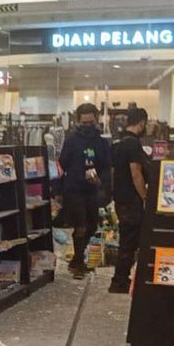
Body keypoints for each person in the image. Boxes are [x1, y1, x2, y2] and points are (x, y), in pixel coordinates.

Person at [59, 103, 112, 279]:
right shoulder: (71, 141)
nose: (88, 126)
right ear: (78, 121)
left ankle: (77, 258)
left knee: (92, 226)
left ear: (96, 120)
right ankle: (79, 262)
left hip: (92, 190)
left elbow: (106, 165)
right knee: (80, 226)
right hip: (74, 189)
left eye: (91, 122)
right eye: (84, 122)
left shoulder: (102, 142)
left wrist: (101, 180)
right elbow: (62, 163)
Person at [109, 108, 151, 294]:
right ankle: (119, 282)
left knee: (128, 240)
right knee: (129, 241)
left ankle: (121, 279)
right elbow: (136, 173)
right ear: (142, 123)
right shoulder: (132, 144)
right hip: (130, 200)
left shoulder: (118, 142)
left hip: (120, 198)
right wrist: (145, 197)